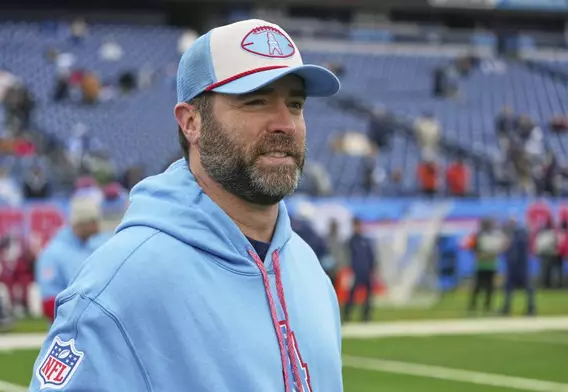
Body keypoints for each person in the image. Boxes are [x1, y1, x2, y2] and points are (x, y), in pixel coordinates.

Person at [28, 19, 342, 392]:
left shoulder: (309, 270)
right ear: (191, 122)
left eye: (295, 104)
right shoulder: (119, 287)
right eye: (256, 101)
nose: (285, 124)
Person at [34, 195, 102, 322]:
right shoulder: (53, 253)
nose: (98, 226)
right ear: (82, 223)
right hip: (67, 332)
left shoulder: (93, 247)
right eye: (94, 221)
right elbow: (48, 302)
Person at [343, 217, 376, 322]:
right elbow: (346, 257)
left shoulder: (365, 241)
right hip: (354, 271)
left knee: (368, 295)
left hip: (365, 271)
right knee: (351, 295)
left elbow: (371, 256)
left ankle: (366, 316)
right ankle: (346, 316)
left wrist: (373, 269)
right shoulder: (351, 241)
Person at [502, 218, 535, 316]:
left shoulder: (518, 237)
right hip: (520, 266)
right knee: (521, 288)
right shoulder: (520, 236)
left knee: (523, 288)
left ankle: (529, 308)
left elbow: (514, 254)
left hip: (518, 267)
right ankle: (530, 308)